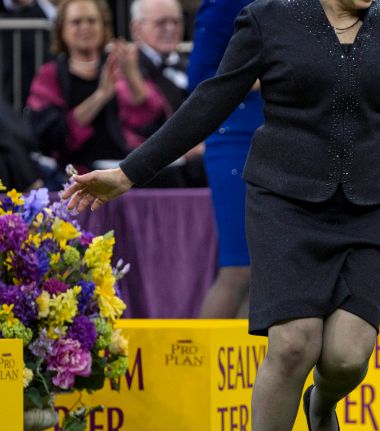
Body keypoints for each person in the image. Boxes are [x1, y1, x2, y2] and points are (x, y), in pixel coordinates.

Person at [62, 0, 380, 429]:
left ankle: (320, 404)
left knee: (347, 358)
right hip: (284, 204)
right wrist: (128, 173)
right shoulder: (268, 19)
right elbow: (209, 102)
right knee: (292, 345)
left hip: (369, 209)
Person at [25, 0, 168, 187]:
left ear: (103, 26)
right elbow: (51, 134)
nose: (85, 27)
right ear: (61, 30)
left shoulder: (118, 66)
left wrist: (132, 75)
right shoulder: (50, 74)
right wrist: (101, 95)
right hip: (71, 174)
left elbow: (152, 120)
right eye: (76, 22)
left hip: (121, 170)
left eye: (92, 21)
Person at [186, 0, 265, 318]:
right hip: (233, 141)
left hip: (277, 137)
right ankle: (198, 364)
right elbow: (200, 78)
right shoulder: (223, 4)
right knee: (238, 269)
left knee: (263, 272)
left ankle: (246, 363)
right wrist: (277, 75)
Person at [129, 0, 207, 187]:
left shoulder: (191, 64)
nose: (170, 28)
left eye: (176, 22)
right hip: (153, 167)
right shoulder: (127, 66)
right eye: (161, 22)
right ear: (137, 28)